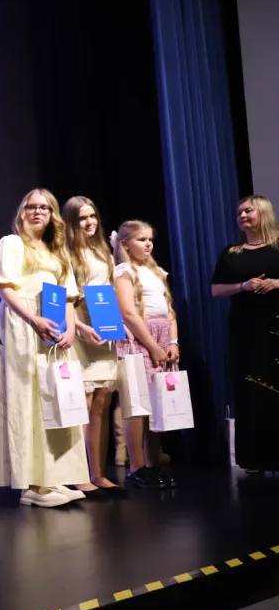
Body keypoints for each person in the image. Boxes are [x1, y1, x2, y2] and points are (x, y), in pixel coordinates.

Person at [0, 189, 89, 507]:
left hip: (54, 326)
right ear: (22, 211)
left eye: (45, 207)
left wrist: (70, 328)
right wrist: (33, 319)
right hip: (23, 323)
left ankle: (54, 476)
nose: (38, 212)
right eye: (31, 206)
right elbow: (5, 289)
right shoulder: (11, 244)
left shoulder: (57, 251)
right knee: (27, 398)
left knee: (55, 399)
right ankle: (32, 485)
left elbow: (68, 296)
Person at [211, 195, 279, 473]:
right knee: (251, 391)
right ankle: (255, 459)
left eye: (248, 211)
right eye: (239, 212)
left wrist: (276, 283)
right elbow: (216, 290)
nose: (242, 216)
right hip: (246, 330)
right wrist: (242, 286)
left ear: (263, 213)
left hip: (275, 326)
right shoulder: (231, 253)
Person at [112, 220, 180, 489]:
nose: (148, 244)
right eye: (141, 239)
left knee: (157, 402)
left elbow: (170, 310)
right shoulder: (124, 271)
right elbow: (129, 313)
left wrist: (173, 341)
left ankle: (153, 464)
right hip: (141, 338)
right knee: (138, 404)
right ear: (126, 244)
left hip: (162, 337)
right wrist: (152, 346)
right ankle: (137, 467)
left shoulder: (156, 271)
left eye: (150, 239)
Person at [63, 196, 123, 496]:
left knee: (103, 401)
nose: (90, 223)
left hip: (104, 333)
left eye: (93, 216)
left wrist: (115, 324)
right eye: (82, 218)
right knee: (83, 404)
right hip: (80, 332)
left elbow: (110, 292)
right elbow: (64, 298)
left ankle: (99, 473)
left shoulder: (103, 252)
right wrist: (80, 327)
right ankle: (79, 474)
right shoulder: (66, 253)